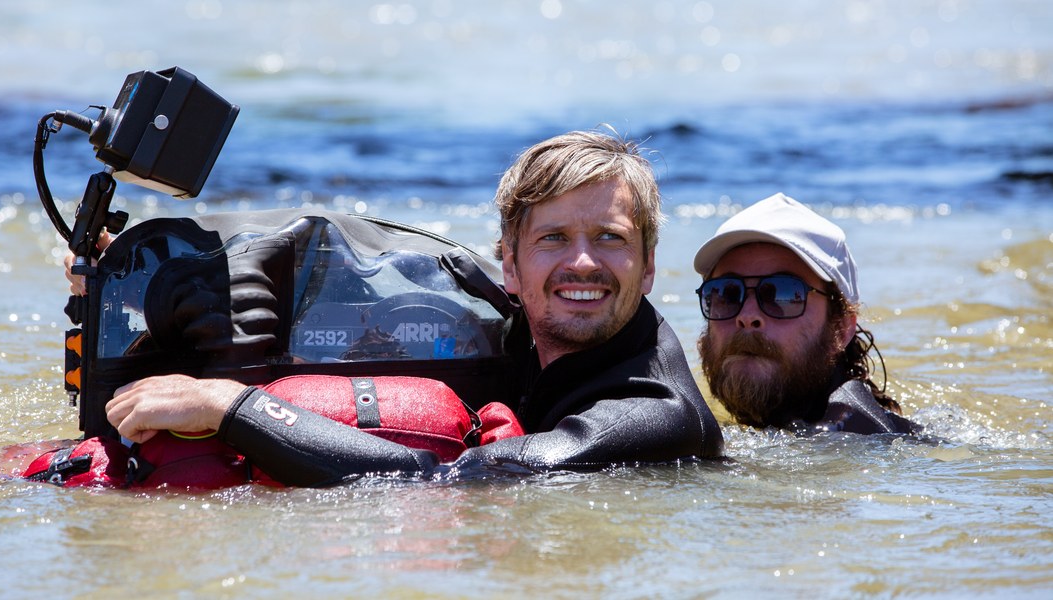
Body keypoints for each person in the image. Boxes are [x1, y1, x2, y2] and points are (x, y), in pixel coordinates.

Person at [95, 129, 725, 486]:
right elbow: (349, 296)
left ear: (648, 268)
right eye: (553, 238)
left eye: (610, 239)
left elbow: (438, 480)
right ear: (510, 264)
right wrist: (131, 286)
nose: (582, 264)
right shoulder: (524, 323)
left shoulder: (651, 416)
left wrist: (229, 406)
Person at [692, 192, 918, 434]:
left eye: (782, 294)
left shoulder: (862, 441)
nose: (747, 316)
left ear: (840, 330)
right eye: (727, 293)